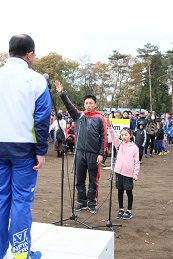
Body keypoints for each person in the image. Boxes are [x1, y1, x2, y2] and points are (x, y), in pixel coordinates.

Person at [0, 34, 51, 259]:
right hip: (24, 151)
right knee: (20, 201)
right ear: (29, 54)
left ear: (9, 51)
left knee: (1, 200)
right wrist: (41, 151)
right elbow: (41, 120)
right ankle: (21, 254)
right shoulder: (37, 80)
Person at [55, 80, 107, 214]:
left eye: (91, 103)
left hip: (94, 154)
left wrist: (101, 153)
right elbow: (70, 106)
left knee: (93, 180)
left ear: (95, 104)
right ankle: (82, 202)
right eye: (86, 103)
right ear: (84, 104)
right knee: (79, 179)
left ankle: (92, 202)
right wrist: (62, 93)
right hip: (79, 152)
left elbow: (104, 137)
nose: (88, 105)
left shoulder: (99, 118)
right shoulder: (79, 116)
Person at [106, 119, 140, 220]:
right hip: (118, 172)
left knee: (129, 192)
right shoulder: (119, 144)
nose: (124, 137)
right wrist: (110, 127)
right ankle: (121, 209)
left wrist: (135, 173)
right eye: (122, 135)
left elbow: (136, 162)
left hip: (128, 173)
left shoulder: (134, 148)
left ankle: (129, 211)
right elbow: (113, 136)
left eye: (126, 134)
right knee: (120, 191)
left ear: (130, 135)